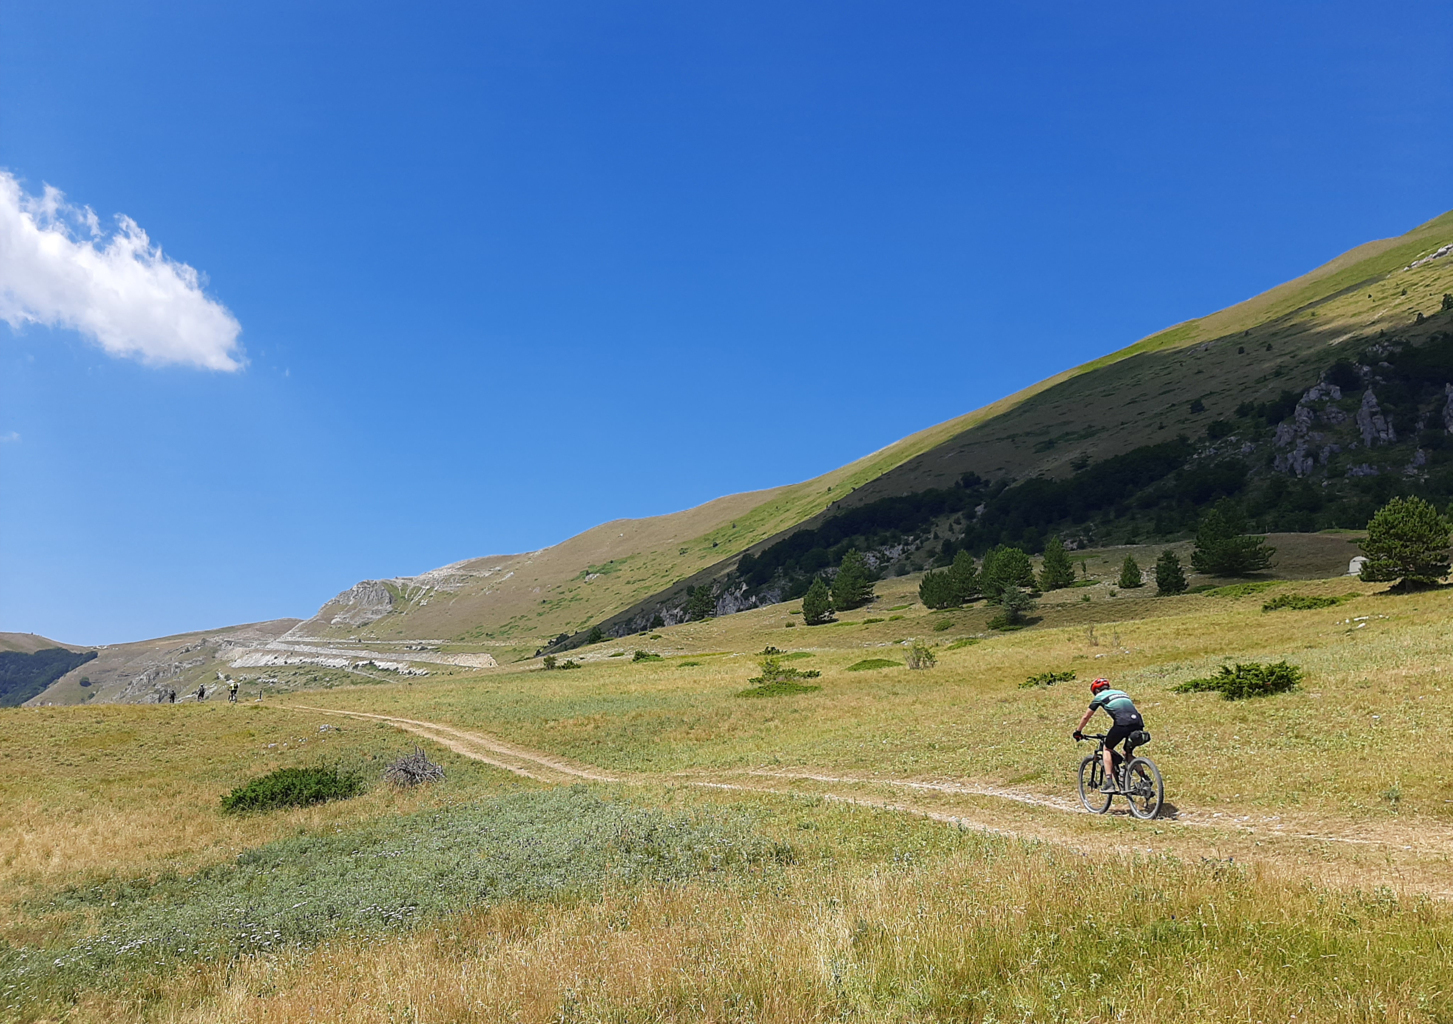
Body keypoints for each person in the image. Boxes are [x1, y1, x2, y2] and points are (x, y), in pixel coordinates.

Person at [1073, 677, 1145, 792]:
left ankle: (1109, 783)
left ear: (1096, 691)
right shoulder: (1122, 693)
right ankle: (1144, 778)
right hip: (1138, 723)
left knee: (1107, 749)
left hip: (1122, 724)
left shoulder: (1099, 697)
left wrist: (1078, 732)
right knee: (1127, 753)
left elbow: (1086, 716)